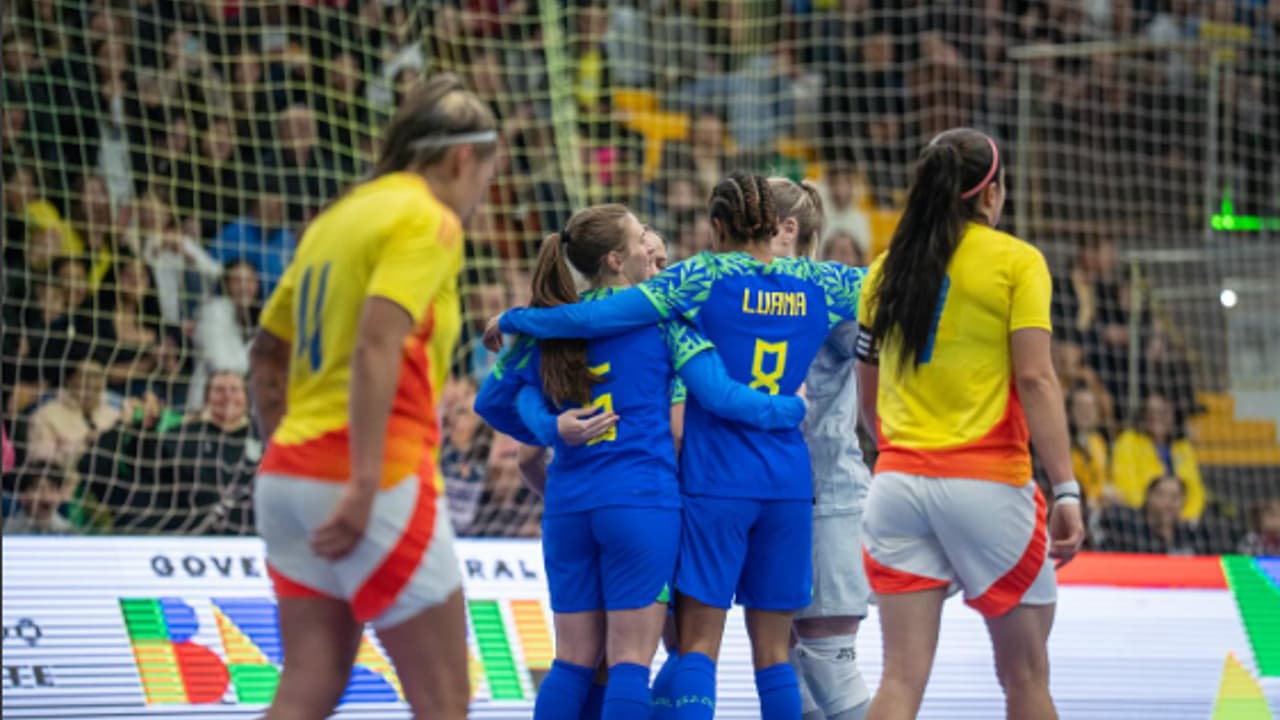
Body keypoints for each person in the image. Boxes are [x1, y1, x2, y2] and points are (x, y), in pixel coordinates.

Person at [485, 172, 867, 720]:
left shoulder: (675, 293)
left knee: (598, 659)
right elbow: (712, 393)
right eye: (646, 244)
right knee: (750, 657)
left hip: (630, 496)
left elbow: (511, 408)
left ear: (716, 227)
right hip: (744, 487)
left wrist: (548, 416)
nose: (655, 256)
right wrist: (792, 408)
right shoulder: (808, 285)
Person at [247, 72, 498, 720]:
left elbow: (266, 349)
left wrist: (284, 442)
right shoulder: (429, 221)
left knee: (311, 682)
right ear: (461, 158)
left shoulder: (337, 219)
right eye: (484, 179)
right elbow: (376, 344)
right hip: (374, 473)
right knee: (444, 699)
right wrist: (359, 484)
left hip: (287, 476)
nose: (480, 197)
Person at [853, 128, 1084, 720]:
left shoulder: (883, 271)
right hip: (987, 484)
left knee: (899, 680)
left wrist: (890, 454)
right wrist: (1066, 487)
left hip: (896, 484)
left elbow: (868, 384)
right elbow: (1035, 379)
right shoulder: (1016, 261)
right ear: (990, 195)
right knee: (1026, 677)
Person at [767, 177, 872, 720]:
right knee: (785, 666)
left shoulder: (839, 287)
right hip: (770, 493)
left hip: (828, 493)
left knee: (826, 664)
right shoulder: (744, 286)